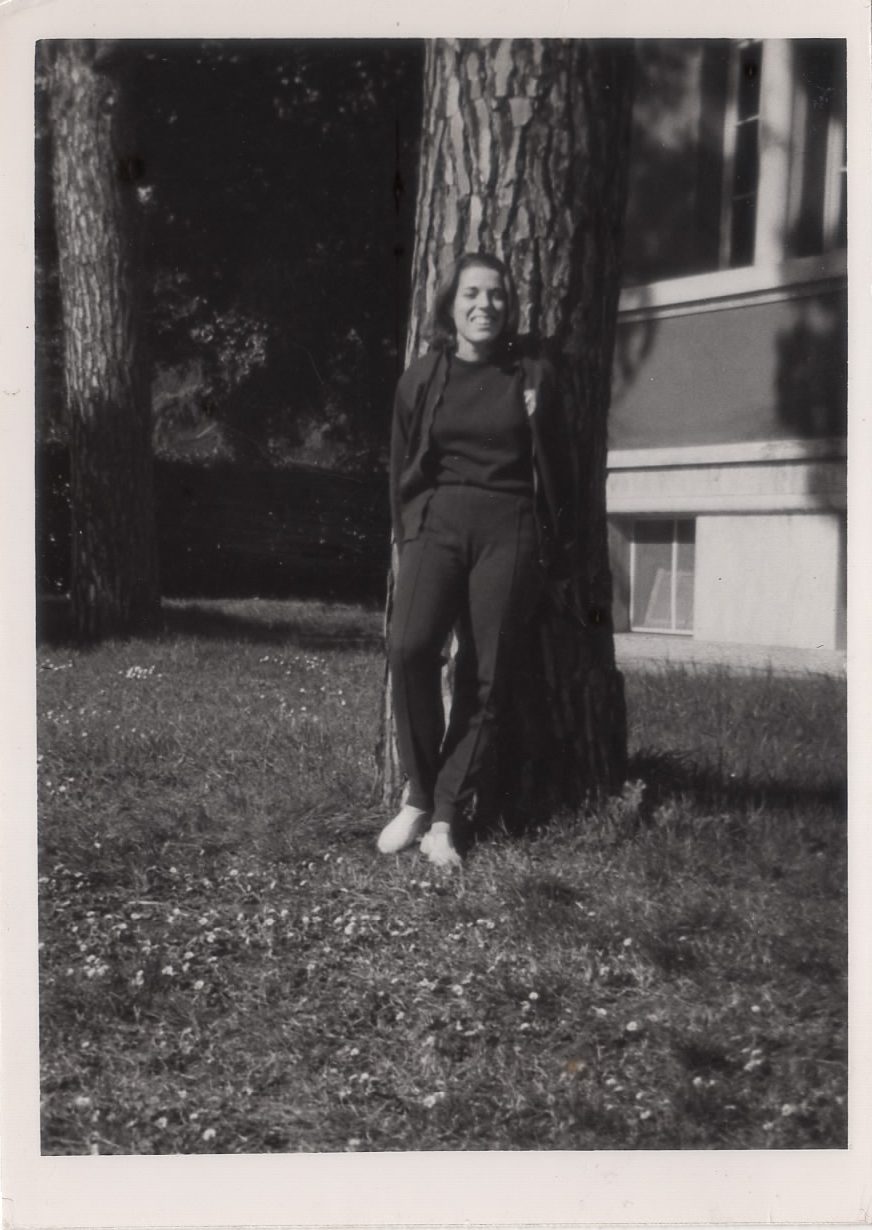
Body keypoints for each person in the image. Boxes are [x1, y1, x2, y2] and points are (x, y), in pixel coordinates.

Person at [378, 252, 569, 868]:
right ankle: (418, 791)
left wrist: (555, 545)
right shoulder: (421, 377)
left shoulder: (532, 375)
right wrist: (407, 537)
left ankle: (446, 816)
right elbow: (401, 466)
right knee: (408, 647)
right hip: (436, 524)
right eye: (471, 294)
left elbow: (559, 465)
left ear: (509, 307)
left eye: (496, 295)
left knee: (485, 674)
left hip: (510, 528)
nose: (484, 305)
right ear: (450, 305)